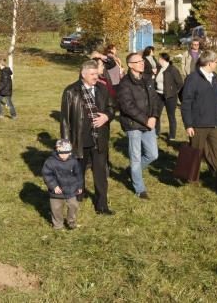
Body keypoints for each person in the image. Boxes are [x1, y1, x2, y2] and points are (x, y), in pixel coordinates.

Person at [60, 59, 114, 215]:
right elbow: (65, 120)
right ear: (83, 75)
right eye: (92, 74)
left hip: (99, 139)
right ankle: (78, 195)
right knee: (78, 172)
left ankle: (102, 205)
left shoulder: (102, 89)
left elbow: (112, 107)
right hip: (80, 140)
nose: (96, 77)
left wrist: (106, 117)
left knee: (100, 175)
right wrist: (65, 145)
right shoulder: (71, 91)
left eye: (97, 73)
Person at [181, 50, 217, 193]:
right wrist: (188, 124)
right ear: (209, 63)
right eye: (216, 62)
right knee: (196, 152)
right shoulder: (193, 78)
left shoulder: (215, 77)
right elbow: (186, 103)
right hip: (198, 124)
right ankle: (192, 178)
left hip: (216, 123)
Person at [117, 52, 159, 199]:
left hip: (149, 122)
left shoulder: (147, 79)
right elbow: (127, 106)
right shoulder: (124, 84)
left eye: (142, 61)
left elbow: (154, 99)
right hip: (133, 124)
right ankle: (139, 189)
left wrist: (153, 116)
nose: (142, 63)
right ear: (130, 65)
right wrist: (145, 120)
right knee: (135, 158)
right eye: (138, 61)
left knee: (153, 154)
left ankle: (133, 171)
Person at [42, 139, 83, 230]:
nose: (64, 156)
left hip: (71, 189)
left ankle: (71, 222)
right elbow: (47, 174)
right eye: (61, 153)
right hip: (56, 191)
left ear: (70, 152)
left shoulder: (74, 161)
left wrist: (79, 186)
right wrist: (54, 186)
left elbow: (78, 175)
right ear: (57, 151)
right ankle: (58, 225)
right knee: (56, 208)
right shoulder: (50, 162)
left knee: (74, 205)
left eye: (66, 153)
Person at [155, 52, 183, 140]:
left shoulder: (173, 70)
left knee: (171, 115)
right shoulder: (159, 68)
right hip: (158, 95)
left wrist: (173, 91)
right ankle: (156, 132)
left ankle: (172, 135)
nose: (158, 60)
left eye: (159, 58)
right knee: (156, 114)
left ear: (163, 59)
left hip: (170, 96)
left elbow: (180, 83)